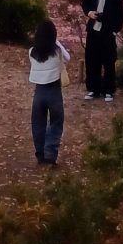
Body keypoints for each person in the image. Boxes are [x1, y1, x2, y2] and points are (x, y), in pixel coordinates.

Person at [82, 0, 123, 102]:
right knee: (92, 59)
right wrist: (89, 13)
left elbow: (121, 13)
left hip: (107, 31)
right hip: (93, 29)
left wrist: (115, 30)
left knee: (108, 61)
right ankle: (93, 89)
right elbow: (85, 3)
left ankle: (109, 90)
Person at [29, 19, 70, 167]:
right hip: (54, 91)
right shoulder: (57, 52)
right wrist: (57, 42)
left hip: (39, 92)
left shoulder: (32, 52)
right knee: (56, 122)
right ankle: (50, 155)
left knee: (38, 123)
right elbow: (68, 58)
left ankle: (40, 154)